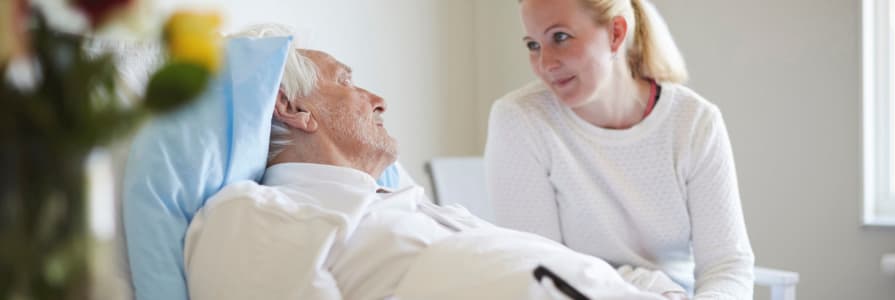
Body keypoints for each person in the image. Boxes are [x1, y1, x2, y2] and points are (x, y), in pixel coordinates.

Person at [183, 24, 688, 300]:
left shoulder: (415, 210)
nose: (377, 98)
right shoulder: (253, 213)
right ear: (292, 109)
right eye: (345, 81)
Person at [484, 0, 754, 299]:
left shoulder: (694, 122)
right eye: (533, 45)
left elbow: (727, 265)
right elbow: (543, 267)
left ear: (615, 33)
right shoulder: (521, 119)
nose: (545, 63)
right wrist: (656, 290)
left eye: (560, 37)